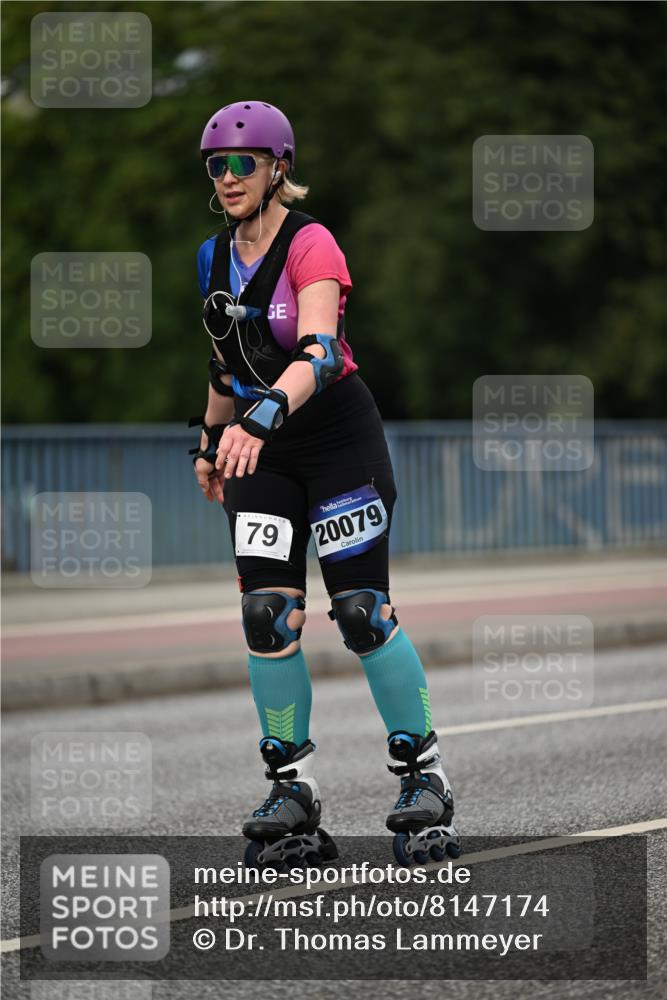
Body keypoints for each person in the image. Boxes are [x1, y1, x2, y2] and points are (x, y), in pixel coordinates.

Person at [191, 100, 460, 865]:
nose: (229, 176)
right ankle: (291, 787)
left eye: (244, 162)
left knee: (360, 610)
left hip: (337, 439)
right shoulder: (212, 257)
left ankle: (422, 776)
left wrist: (256, 419)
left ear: (279, 167)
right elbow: (224, 363)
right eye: (217, 164)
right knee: (266, 615)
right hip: (261, 452)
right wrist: (211, 441)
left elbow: (318, 352)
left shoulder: (312, 243)